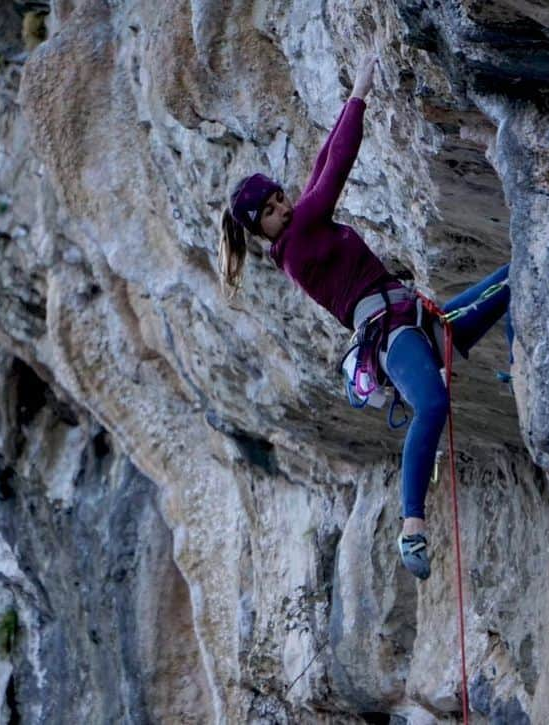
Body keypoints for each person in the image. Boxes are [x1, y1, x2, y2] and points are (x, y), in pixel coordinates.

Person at [217, 55, 511, 580]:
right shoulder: (297, 239)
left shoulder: (296, 230)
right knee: (434, 404)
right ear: (259, 228)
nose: (282, 207)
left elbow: (319, 166)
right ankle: (412, 527)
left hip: (414, 320)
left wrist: (351, 97)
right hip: (393, 335)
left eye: (279, 199)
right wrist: (360, 94)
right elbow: (337, 167)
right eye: (268, 210)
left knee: (518, 276)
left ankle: (526, 357)